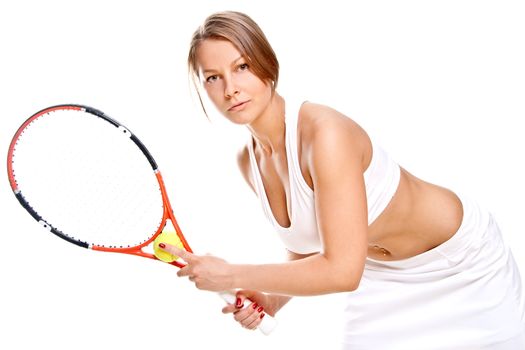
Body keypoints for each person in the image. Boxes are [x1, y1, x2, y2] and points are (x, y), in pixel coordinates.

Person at [160, 11, 525, 349]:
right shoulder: (248, 160)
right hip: (382, 276)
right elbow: (308, 247)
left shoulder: (324, 134)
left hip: (460, 263)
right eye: (213, 77)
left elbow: (342, 270)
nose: (230, 89)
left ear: (267, 64)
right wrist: (272, 298)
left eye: (241, 67)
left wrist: (230, 274)